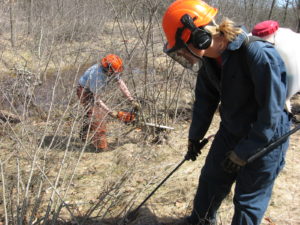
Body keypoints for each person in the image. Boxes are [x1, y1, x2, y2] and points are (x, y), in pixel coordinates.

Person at [161, 0, 291, 225]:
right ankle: (200, 221)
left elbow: (271, 113)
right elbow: (205, 101)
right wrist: (195, 137)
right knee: (210, 180)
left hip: (266, 137)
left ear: (198, 35)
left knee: (247, 200)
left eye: (182, 47)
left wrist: (245, 151)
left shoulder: (256, 54)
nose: (183, 54)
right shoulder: (210, 61)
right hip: (231, 129)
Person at [77, 54, 139, 150]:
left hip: (92, 91)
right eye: (114, 72)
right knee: (98, 118)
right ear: (107, 69)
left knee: (91, 114)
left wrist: (131, 100)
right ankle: (101, 147)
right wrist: (111, 113)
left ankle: (83, 136)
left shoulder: (112, 70)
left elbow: (120, 83)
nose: (115, 75)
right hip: (85, 92)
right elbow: (97, 100)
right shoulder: (97, 77)